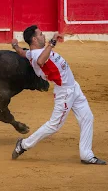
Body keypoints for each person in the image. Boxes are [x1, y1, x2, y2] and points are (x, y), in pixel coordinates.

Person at [10, 25, 106, 165]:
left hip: (74, 87)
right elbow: (40, 61)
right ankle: (23, 145)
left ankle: (86, 154)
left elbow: (22, 53)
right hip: (65, 92)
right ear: (35, 39)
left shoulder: (32, 52)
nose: (44, 36)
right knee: (54, 125)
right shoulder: (38, 55)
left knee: (87, 118)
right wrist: (52, 43)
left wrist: (15, 45)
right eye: (41, 34)